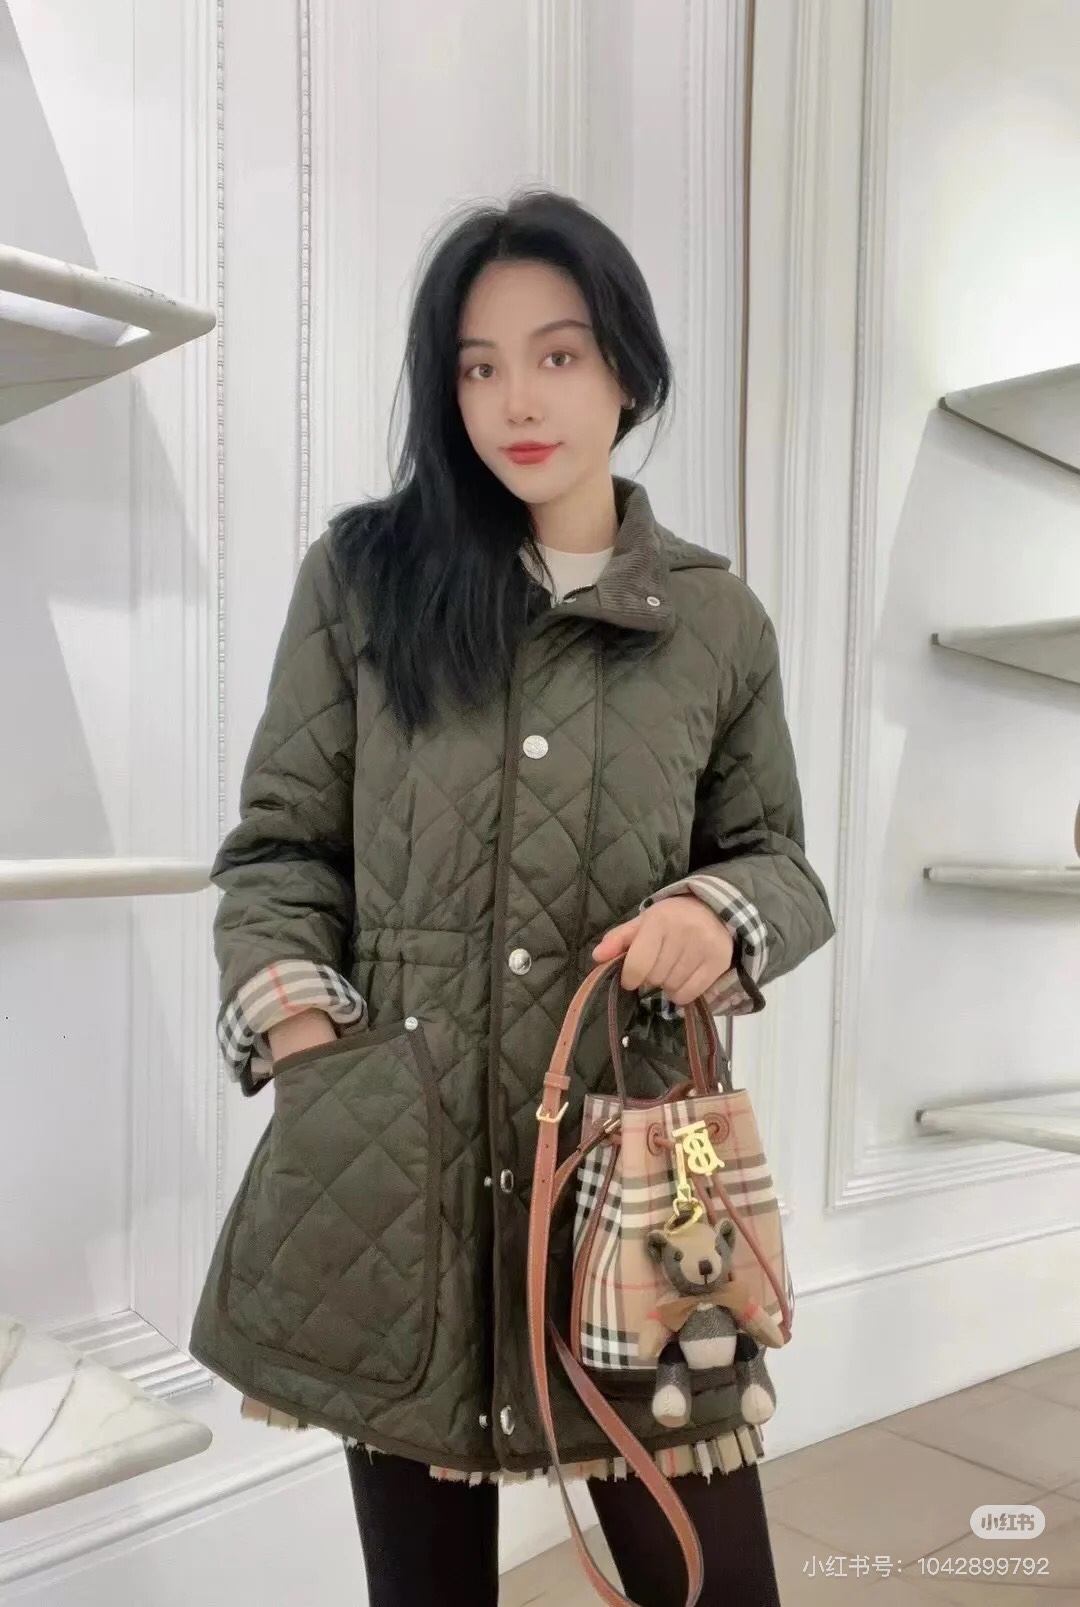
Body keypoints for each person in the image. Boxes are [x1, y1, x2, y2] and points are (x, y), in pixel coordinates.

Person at [188, 188, 834, 1606]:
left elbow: (781, 859)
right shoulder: (365, 581)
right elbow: (279, 851)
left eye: (557, 354)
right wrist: (307, 1042)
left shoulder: (714, 620)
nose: (516, 401)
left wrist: (716, 915)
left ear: (627, 370)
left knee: (716, 1582)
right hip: (394, 1165)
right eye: (477, 366)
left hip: (637, 1165)